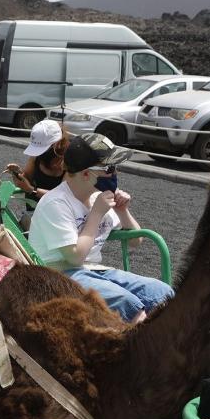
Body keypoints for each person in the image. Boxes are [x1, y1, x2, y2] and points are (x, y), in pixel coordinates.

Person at [28, 133, 174, 323]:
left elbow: (135, 241)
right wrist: (96, 214)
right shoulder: (56, 203)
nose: (115, 173)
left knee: (163, 293)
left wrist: (122, 211)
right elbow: (75, 257)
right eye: (110, 168)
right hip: (58, 275)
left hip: (94, 270)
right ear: (86, 174)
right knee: (130, 306)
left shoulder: (97, 197)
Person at [6, 119, 68, 230]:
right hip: (34, 212)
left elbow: (63, 196)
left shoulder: (70, 160)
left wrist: (32, 190)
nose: (40, 152)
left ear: (56, 143)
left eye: (42, 149)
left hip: (57, 217)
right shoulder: (36, 157)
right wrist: (18, 173)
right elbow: (26, 179)